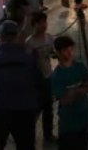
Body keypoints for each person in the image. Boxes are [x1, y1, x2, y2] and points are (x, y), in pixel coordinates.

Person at [0, 20, 41, 150]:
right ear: (17, 36)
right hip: (25, 111)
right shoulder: (28, 58)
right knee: (26, 145)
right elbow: (38, 82)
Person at [50, 36, 88, 150]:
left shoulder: (79, 66)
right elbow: (64, 101)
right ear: (58, 52)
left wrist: (76, 91)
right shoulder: (57, 76)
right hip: (68, 124)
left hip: (84, 119)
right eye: (65, 50)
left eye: (71, 49)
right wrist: (82, 89)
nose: (70, 53)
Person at [26, 12, 55, 144]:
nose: (43, 25)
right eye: (40, 23)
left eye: (44, 22)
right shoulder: (30, 42)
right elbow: (27, 62)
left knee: (48, 108)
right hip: (36, 80)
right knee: (36, 109)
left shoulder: (49, 38)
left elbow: (53, 53)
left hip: (48, 76)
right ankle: (29, 136)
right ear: (34, 25)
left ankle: (48, 135)